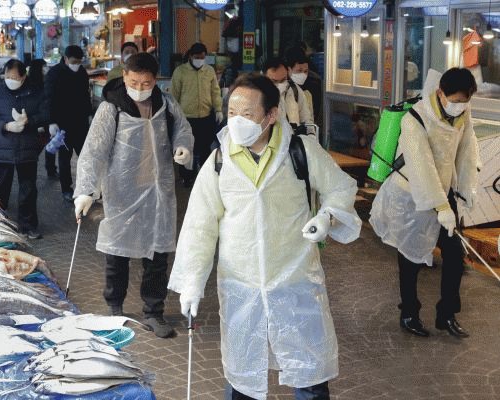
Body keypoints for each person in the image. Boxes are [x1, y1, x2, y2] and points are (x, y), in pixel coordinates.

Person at [168, 73, 361, 400]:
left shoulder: (301, 151)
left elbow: (341, 188)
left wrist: (327, 217)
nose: (237, 122)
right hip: (241, 286)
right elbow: (200, 224)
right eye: (232, 113)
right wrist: (191, 282)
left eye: (247, 114)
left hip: (295, 281)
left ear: (271, 115)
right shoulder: (219, 161)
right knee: (243, 373)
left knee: (309, 371)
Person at [73, 53, 194, 338]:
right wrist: (86, 191)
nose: (140, 88)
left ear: (156, 80)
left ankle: (154, 311)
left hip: (159, 192)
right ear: (125, 76)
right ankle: (114, 306)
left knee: (158, 253)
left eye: (147, 83)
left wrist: (183, 146)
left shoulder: (166, 103)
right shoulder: (112, 108)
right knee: (118, 251)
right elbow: (94, 151)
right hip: (122, 191)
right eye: (134, 82)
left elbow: (183, 128)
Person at [369, 68, 479, 339]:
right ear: (440, 93)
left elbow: (467, 152)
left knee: (454, 255)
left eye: (465, 101)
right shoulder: (415, 118)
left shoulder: (463, 115)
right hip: (410, 195)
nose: (460, 106)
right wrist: (441, 207)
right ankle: (409, 313)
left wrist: (465, 192)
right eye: (456, 100)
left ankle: (447, 314)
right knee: (411, 256)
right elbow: (421, 166)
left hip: (443, 192)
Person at [0, 59, 50, 240]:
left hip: (27, 150)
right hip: (3, 149)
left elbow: (47, 114)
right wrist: (4, 125)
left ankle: (27, 227)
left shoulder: (36, 92)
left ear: (23, 77)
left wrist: (29, 121)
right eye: (7, 77)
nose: (10, 80)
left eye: (14, 78)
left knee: (28, 191)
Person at [44, 45, 93, 202]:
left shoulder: (82, 72)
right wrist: (51, 122)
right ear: (65, 59)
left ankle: (88, 187)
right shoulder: (54, 73)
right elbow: (49, 99)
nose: (76, 64)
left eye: (79, 61)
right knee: (65, 158)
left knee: (86, 156)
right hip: (62, 124)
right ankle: (66, 189)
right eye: (73, 61)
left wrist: (89, 114)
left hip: (81, 123)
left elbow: (85, 95)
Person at [171, 42, 222, 187]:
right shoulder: (180, 72)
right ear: (191, 57)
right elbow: (174, 95)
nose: (200, 60)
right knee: (187, 149)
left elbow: (215, 92)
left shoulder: (209, 71)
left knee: (205, 149)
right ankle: (186, 177)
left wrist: (218, 109)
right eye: (197, 57)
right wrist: (174, 115)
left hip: (205, 117)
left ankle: (205, 178)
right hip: (186, 119)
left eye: (202, 57)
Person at [264, 57, 313, 134]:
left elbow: (306, 119)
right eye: (274, 81)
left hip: (293, 137)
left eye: (283, 80)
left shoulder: (295, 90)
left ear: (288, 73)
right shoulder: (258, 94)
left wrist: (311, 136)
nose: (279, 85)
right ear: (264, 77)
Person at [28, 58, 55, 178]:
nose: (45, 69)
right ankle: (50, 169)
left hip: (42, 120)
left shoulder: (39, 81)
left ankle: (49, 169)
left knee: (47, 145)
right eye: (44, 67)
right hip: (40, 121)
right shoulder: (36, 84)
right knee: (45, 145)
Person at [285, 48, 323, 131]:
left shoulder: (314, 82)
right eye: (299, 71)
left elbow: (317, 110)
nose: (303, 74)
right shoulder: (283, 84)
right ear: (289, 70)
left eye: (306, 71)